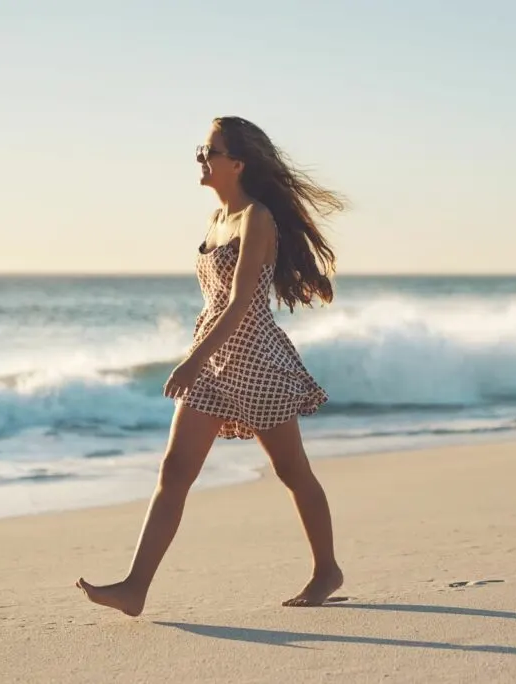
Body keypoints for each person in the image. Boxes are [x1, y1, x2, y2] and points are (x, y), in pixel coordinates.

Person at [76, 116, 345, 615]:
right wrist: (202, 359)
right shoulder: (216, 220)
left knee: (291, 470)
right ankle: (135, 588)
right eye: (200, 149)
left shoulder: (256, 218)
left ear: (237, 163)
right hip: (214, 361)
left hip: (255, 360)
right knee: (175, 469)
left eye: (210, 151)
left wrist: (190, 362)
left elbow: (242, 302)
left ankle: (327, 569)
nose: (201, 158)